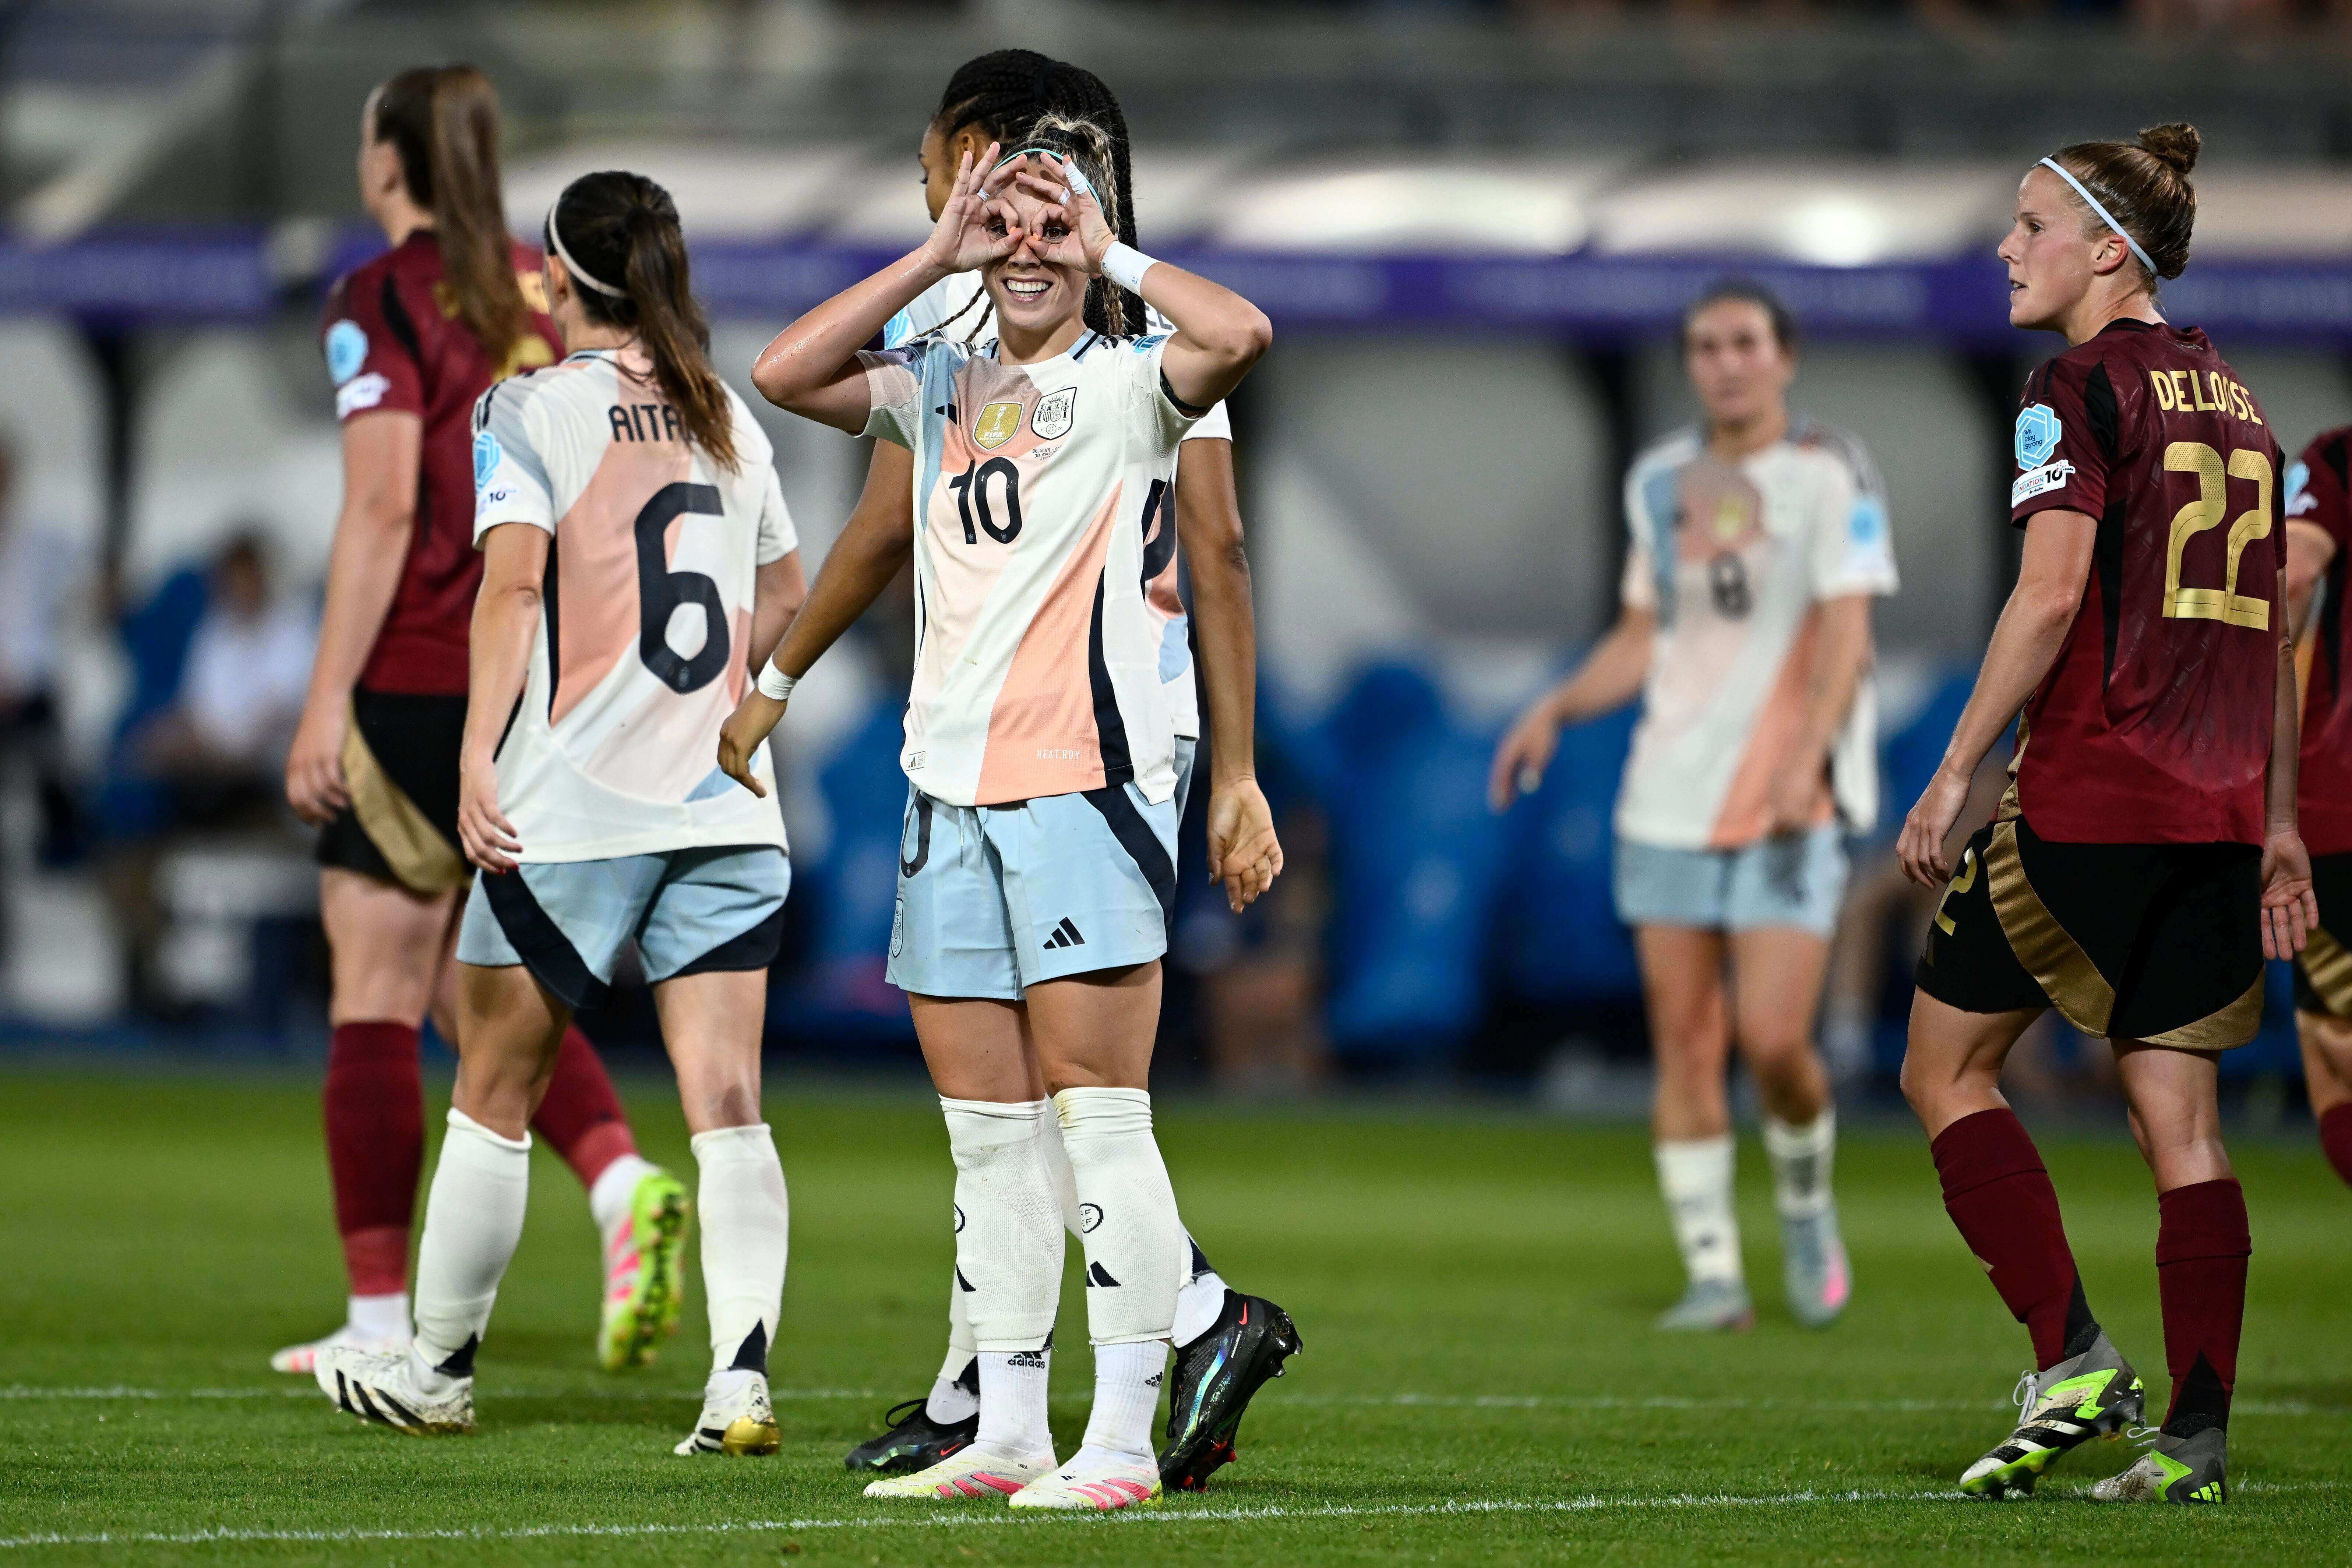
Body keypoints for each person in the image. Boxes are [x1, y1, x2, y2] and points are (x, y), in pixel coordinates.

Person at [721, 116, 1278, 1509]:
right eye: (1005, 222)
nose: (1026, 248)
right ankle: (1012, 1430)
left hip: (1083, 783)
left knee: (1102, 1119)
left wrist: (1107, 249)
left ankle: (1123, 1442)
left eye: (1051, 223)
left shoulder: (1137, 379)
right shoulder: (938, 376)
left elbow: (1245, 333)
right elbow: (781, 371)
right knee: (988, 1133)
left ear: (1089, 239)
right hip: (945, 789)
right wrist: (935, 255)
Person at [314, 169, 806, 1453]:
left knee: (491, 1086)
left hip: (574, 808)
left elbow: (512, 592)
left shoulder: (528, 407)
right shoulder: (726, 415)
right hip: (724, 808)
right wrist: (741, 712)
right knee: (729, 1099)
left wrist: (478, 752)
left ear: (556, 277)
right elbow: (789, 600)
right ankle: (740, 1384)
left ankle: (436, 1369)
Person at [1897, 123, 2313, 1505]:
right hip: (2217, 819)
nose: (2006, 249)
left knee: (1942, 1071)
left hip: (2089, 799)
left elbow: (2050, 594)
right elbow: (2269, 635)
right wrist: (2277, 822)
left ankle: (2070, 1355)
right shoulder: (2242, 406)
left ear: (2109, 252)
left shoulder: (2071, 386)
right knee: (2178, 1123)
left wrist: (1954, 770)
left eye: (2031, 227)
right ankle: (2193, 1437)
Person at [277, 67, 688, 1380]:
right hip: (542, 673)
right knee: (486, 984)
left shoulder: (381, 296)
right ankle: (621, 1181)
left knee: (378, 984)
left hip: (418, 670)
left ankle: (377, 1316)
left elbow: (386, 506)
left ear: (386, 161)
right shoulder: (539, 283)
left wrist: (325, 699)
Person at [1489, 280, 1896, 1333]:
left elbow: (1847, 634)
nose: (1726, 362)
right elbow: (1641, 637)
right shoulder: (1659, 481)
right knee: (1683, 1040)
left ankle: (1804, 1204)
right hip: (1665, 799)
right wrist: (1555, 706)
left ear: (1783, 357)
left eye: (1744, 342)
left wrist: (1803, 760)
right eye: (1706, 346)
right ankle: (1714, 1276)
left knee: (1774, 1041)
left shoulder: (1831, 470)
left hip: (1788, 806)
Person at [2281, 431, 2352, 1188]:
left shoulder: (2339, 457)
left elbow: (2295, 574)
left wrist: (2246, 725)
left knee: (2330, 1054)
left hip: (2341, 803)